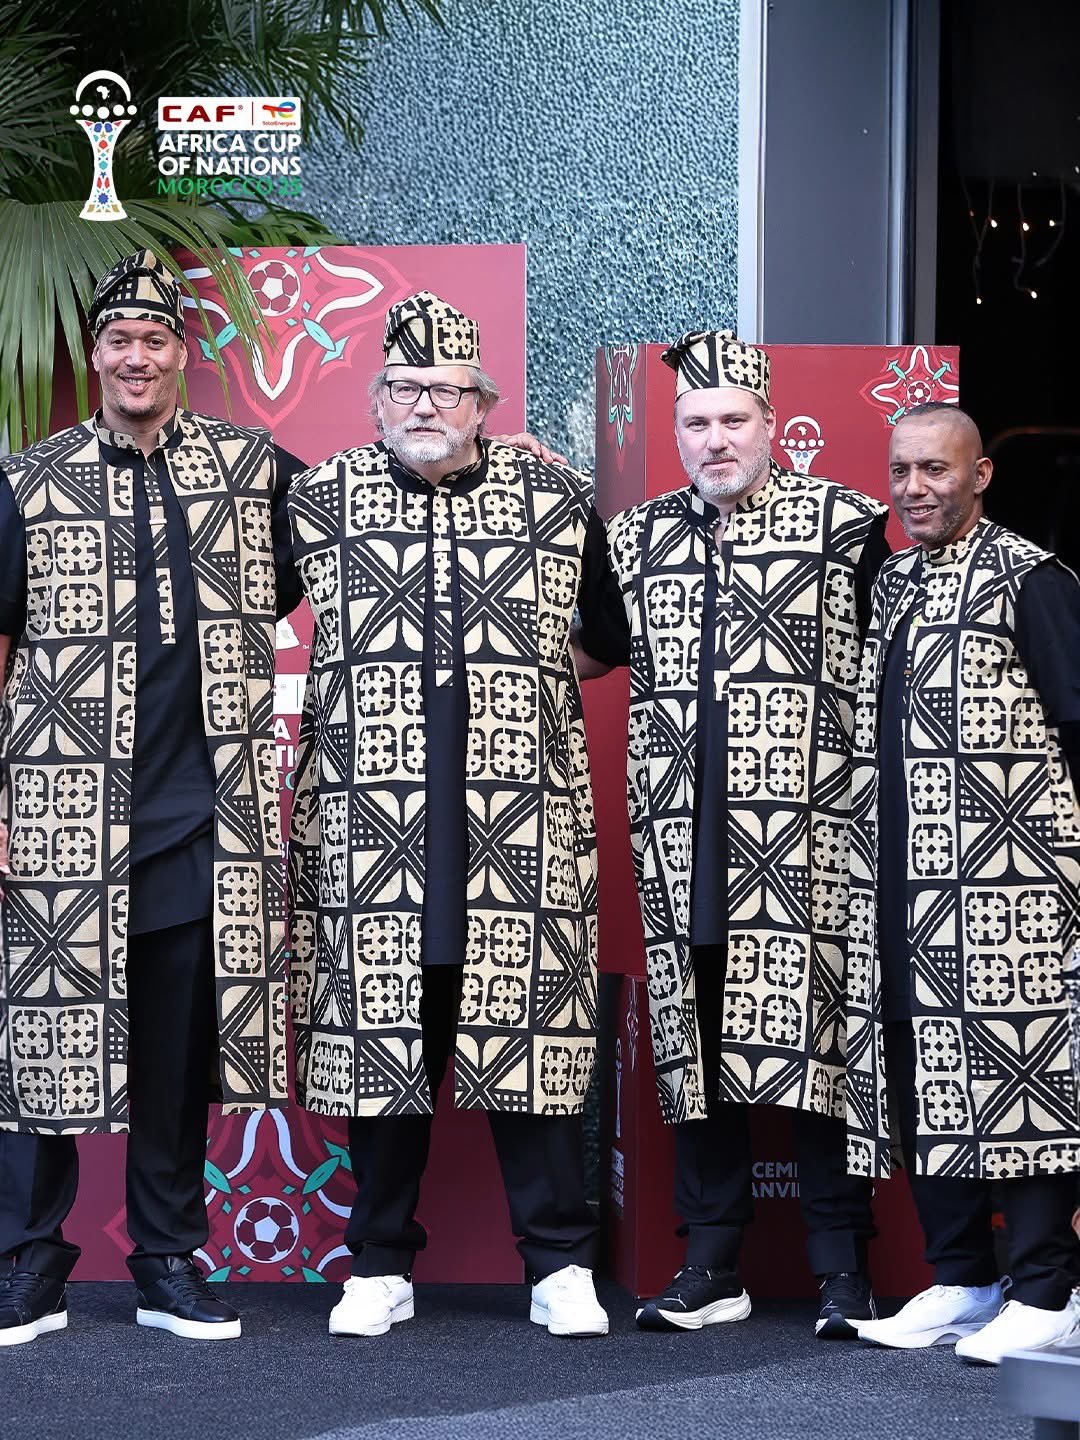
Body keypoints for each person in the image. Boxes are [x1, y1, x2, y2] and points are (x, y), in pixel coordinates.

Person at [287, 290, 627, 1338]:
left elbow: (609, 635)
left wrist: (522, 687)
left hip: (520, 828)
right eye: (403, 386)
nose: (422, 404)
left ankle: (558, 1265)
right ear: (376, 400)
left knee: (529, 1036)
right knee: (385, 1039)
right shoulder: (322, 496)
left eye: (444, 389)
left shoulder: (553, 497)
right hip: (370, 832)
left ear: (484, 404)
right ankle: (379, 1264)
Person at [0, 250, 304, 1344]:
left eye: (156, 339)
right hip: (60, 808)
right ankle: (27, 1263)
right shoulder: (29, 481)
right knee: (43, 1035)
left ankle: (167, 1260)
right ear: (95, 355)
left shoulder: (253, 469)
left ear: (184, 353)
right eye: (119, 340)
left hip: (200, 811)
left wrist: (500, 461)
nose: (138, 357)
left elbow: (370, 521)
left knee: (174, 1047)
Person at [597, 329, 890, 1336]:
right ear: (675, 432)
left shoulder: (846, 525)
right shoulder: (635, 538)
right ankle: (712, 1265)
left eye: (733, 419)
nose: (715, 439)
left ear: (771, 425)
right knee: (694, 1050)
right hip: (680, 838)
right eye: (696, 422)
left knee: (819, 1050)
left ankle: (842, 1270)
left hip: (812, 843)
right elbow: (583, 646)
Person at [846, 401, 1080, 1363]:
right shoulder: (893, 581)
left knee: (1024, 1077)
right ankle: (963, 1280)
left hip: (1011, 887)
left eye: (935, 470)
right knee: (920, 1070)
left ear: (980, 476)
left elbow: (1075, 726)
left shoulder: (1033, 578)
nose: (914, 489)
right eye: (901, 471)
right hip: (899, 880)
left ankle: (1048, 1290)